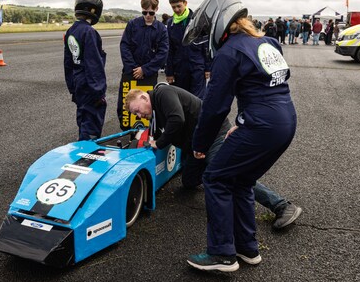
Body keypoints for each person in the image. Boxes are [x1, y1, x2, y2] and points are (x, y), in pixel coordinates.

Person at [182, 0, 297, 272]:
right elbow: (267, 87)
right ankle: (247, 249)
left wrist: (200, 143)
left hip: (262, 125)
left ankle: (222, 253)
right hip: (285, 121)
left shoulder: (229, 53)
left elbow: (214, 107)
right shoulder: (267, 42)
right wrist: (244, 121)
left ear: (222, 23)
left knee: (216, 177)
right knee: (242, 180)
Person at [125, 84, 301, 229]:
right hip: (196, 145)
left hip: (214, 134)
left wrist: (160, 143)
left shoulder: (162, 93)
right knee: (189, 181)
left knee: (227, 175)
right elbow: (157, 134)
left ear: (143, 98)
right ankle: (212, 169)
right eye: (135, 114)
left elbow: (177, 120)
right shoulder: (154, 113)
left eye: (137, 110)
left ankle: (282, 205)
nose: (139, 115)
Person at [118, 0, 168, 131]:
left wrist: (145, 70)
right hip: (130, 73)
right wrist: (134, 69)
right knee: (126, 107)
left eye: (151, 12)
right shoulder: (132, 25)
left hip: (149, 75)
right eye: (144, 12)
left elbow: (163, 54)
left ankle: (147, 135)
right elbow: (124, 46)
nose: (147, 15)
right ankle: (127, 134)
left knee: (147, 108)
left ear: (156, 9)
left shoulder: (161, 29)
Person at [64, 0, 107, 141]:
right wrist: (99, 92)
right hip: (90, 86)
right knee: (91, 126)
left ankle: (82, 149)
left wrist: (72, 87)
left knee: (82, 121)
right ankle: (87, 158)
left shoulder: (71, 31)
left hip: (78, 84)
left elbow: (67, 62)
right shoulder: (89, 32)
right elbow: (93, 64)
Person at [165, 0, 207, 98]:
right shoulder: (170, 24)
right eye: (173, 7)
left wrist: (208, 67)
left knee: (198, 100)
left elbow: (205, 44)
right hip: (179, 69)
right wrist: (169, 72)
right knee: (182, 99)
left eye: (179, 6)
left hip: (197, 66)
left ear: (185, 3)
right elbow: (169, 49)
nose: (176, 10)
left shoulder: (198, 20)